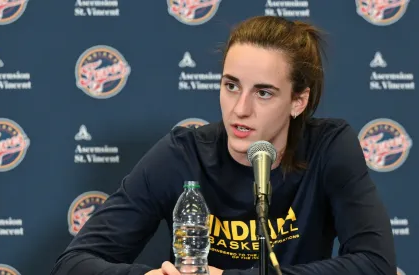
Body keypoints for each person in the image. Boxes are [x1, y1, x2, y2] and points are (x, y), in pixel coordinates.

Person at [50, 15, 396, 275]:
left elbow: (375, 264)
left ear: (298, 101)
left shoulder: (328, 148)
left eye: (263, 92)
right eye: (231, 86)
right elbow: (72, 265)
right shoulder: (183, 154)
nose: (240, 109)